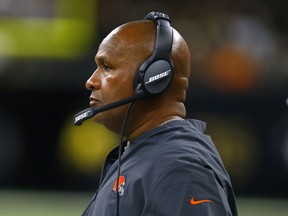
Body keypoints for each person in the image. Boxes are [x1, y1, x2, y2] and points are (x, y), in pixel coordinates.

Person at [79, 11, 238, 216]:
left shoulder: (181, 170)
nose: (91, 81)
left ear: (153, 79)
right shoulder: (144, 154)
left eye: (107, 67)